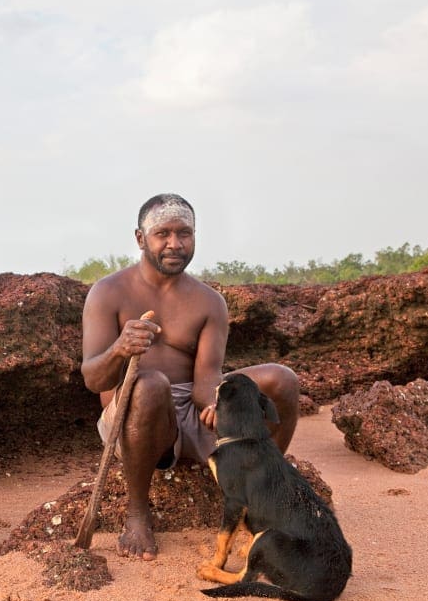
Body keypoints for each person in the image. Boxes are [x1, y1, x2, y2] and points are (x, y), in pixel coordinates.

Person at [81, 193, 299, 560]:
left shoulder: (209, 301)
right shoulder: (108, 292)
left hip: (190, 414)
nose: (174, 243)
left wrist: (220, 403)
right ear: (139, 239)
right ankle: (137, 513)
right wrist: (120, 348)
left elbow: (205, 380)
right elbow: (94, 380)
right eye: (162, 233)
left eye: (184, 233)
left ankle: (261, 493)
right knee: (151, 384)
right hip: (135, 413)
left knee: (282, 379)